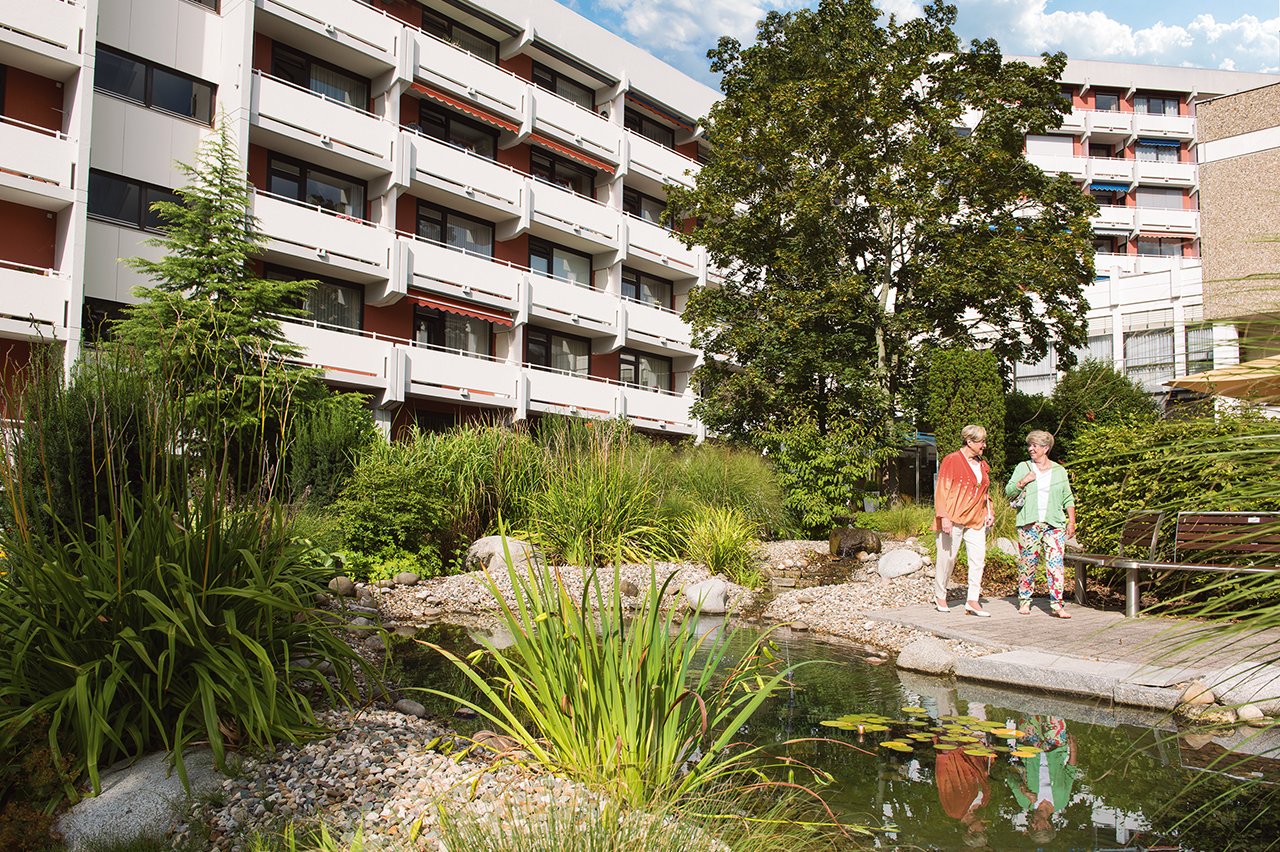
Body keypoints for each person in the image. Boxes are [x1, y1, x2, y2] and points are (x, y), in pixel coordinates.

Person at [1005, 430, 1077, 618]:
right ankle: (1024, 601)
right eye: (1029, 445)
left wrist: (1071, 521)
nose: (1030, 449)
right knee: (1028, 563)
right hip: (1029, 524)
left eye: (1034, 446)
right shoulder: (1023, 467)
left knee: (1056, 564)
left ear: (1045, 448)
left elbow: (1068, 497)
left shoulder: (1059, 471)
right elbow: (1009, 491)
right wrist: (1023, 481)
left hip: (1054, 524)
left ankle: (1057, 604)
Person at [933, 424, 994, 616]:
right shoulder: (951, 460)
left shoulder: (982, 464)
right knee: (947, 559)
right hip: (953, 517)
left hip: (976, 518)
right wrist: (944, 517)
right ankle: (940, 595)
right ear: (969, 441)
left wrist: (990, 511)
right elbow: (941, 490)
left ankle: (973, 600)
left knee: (978, 560)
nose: (984, 445)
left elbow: (985, 492)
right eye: (981, 441)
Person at [1006, 715, 1079, 846]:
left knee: (1029, 710)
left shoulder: (1025, 802)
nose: (1031, 824)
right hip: (1056, 748)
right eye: (1035, 828)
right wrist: (1073, 749)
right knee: (1055, 712)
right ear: (1048, 826)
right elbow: (1070, 773)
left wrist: (1023, 790)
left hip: (1029, 746)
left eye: (1030, 827)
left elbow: (1010, 777)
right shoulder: (1062, 801)